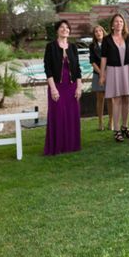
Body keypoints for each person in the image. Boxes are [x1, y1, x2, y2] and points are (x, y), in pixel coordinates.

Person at [43, 20, 82, 156]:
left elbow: (77, 69)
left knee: (72, 115)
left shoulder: (73, 47)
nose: (65, 29)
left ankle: (71, 145)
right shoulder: (50, 47)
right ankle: (57, 146)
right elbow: (48, 69)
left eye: (67, 28)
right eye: (62, 27)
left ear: (69, 31)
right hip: (57, 86)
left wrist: (79, 87)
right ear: (57, 30)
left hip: (72, 87)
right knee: (58, 115)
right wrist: (53, 89)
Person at [100, 13, 129, 143]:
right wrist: (102, 74)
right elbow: (103, 57)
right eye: (116, 21)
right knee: (116, 100)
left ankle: (125, 127)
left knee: (126, 98)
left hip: (127, 70)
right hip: (113, 71)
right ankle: (116, 130)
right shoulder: (106, 40)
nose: (118, 23)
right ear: (112, 24)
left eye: (121, 21)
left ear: (124, 24)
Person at [89, 25, 112, 131]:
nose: (98, 33)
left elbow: (112, 59)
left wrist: (106, 72)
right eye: (96, 31)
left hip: (110, 73)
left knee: (110, 99)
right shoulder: (92, 46)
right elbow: (92, 61)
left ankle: (111, 122)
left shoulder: (109, 43)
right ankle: (100, 122)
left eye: (100, 31)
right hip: (97, 74)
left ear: (103, 32)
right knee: (100, 99)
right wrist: (101, 73)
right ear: (94, 34)